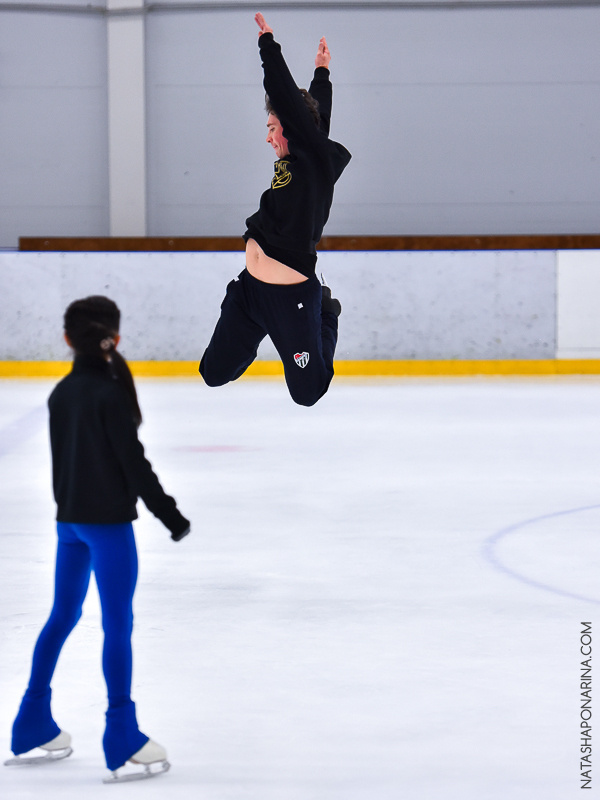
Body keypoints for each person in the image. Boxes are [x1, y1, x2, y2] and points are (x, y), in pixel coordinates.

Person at [5, 296, 191, 783]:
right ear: (116, 338)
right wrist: (170, 516)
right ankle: (122, 734)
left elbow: (64, 463)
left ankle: (31, 723)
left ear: (68, 340)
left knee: (61, 617)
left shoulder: (62, 393)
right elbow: (135, 466)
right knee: (117, 626)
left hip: (69, 526)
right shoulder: (109, 395)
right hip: (107, 528)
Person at [199, 12, 351, 406]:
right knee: (213, 374)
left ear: (291, 125)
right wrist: (321, 73)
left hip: (292, 299)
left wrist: (268, 45)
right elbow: (319, 117)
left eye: (272, 127)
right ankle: (254, 326)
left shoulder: (313, 160)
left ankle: (327, 312)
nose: (268, 137)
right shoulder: (300, 162)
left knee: (308, 391)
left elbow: (291, 101)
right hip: (250, 293)